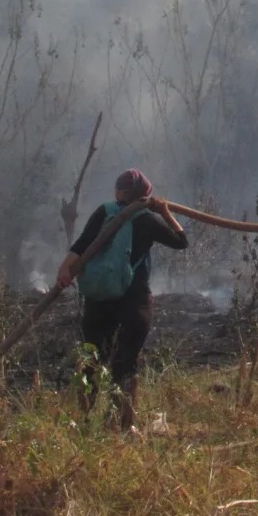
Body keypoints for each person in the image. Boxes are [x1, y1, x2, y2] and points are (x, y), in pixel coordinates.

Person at [55, 169, 187, 431]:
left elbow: (82, 244)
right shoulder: (148, 220)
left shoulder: (105, 211)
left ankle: (81, 421)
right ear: (146, 195)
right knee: (124, 365)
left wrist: (64, 270)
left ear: (119, 192)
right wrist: (165, 212)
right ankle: (118, 424)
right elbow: (181, 241)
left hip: (99, 299)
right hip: (133, 302)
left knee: (91, 361)